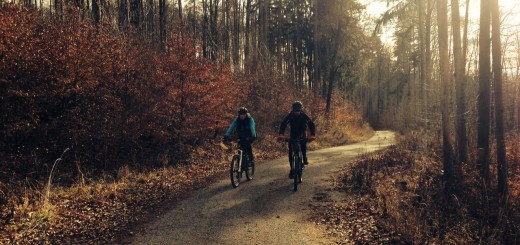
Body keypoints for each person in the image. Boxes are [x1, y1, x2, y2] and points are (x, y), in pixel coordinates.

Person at [278, 101, 316, 179]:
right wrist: (281, 134)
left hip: (302, 133)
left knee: (303, 143)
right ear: (293, 110)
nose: (297, 112)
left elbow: (311, 124)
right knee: (291, 151)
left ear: (301, 110)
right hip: (293, 134)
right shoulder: (290, 116)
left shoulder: (304, 116)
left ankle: (304, 157)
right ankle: (292, 169)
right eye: (295, 111)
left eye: (298, 111)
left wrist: (312, 135)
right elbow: (283, 124)